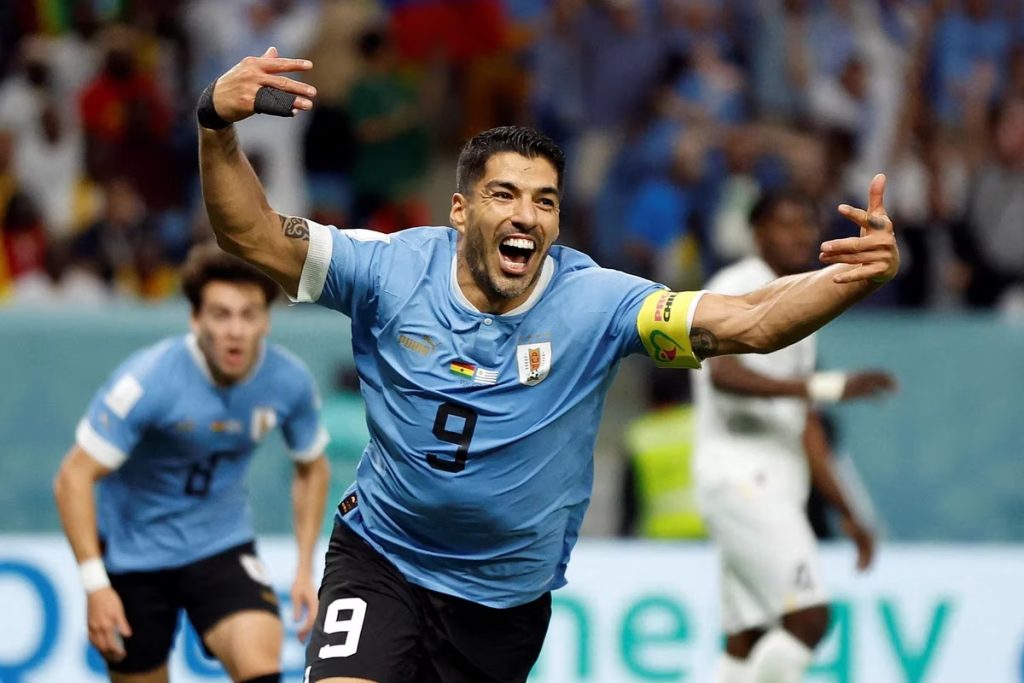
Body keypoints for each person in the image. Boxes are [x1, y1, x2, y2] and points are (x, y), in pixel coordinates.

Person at [195, 47, 899, 683]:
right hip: (383, 557)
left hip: (503, 603)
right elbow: (251, 233)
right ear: (460, 210)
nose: (526, 216)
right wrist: (215, 124)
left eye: (545, 201)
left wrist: (854, 278)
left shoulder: (595, 302)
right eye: (504, 195)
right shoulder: (387, 269)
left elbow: (748, 322)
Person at [53, 243, 331, 683]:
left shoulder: (288, 381)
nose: (235, 330)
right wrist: (95, 585)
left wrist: (304, 568)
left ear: (266, 321)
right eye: (221, 315)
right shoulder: (147, 381)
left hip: (220, 546)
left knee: (262, 667)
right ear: (195, 319)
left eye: (249, 314)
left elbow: (313, 468)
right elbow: (73, 477)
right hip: (135, 555)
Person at [692, 189, 897, 683]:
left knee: (748, 637)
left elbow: (805, 425)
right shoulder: (734, 285)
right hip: (743, 478)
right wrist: (825, 385)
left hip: (774, 484)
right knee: (809, 619)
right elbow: (724, 374)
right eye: (786, 223)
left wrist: (848, 510)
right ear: (757, 232)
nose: (800, 234)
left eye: (807, 224)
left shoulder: (799, 295)